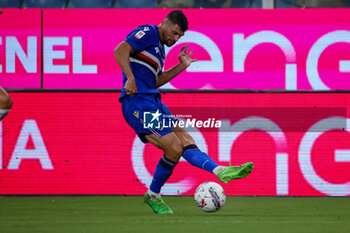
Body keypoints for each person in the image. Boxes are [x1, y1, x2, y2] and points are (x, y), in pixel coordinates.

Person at [114, 10, 254, 214]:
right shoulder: (148, 32)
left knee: (185, 139)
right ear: (165, 23)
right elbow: (120, 50)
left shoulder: (159, 50)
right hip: (137, 102)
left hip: (153, 100)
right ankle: (153, 195)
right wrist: (130, 77)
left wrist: (181, 66)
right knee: (173, 148)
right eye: (175, 33)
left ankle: (220, 170)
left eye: (180, 36)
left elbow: (155, 81)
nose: (176, 39)